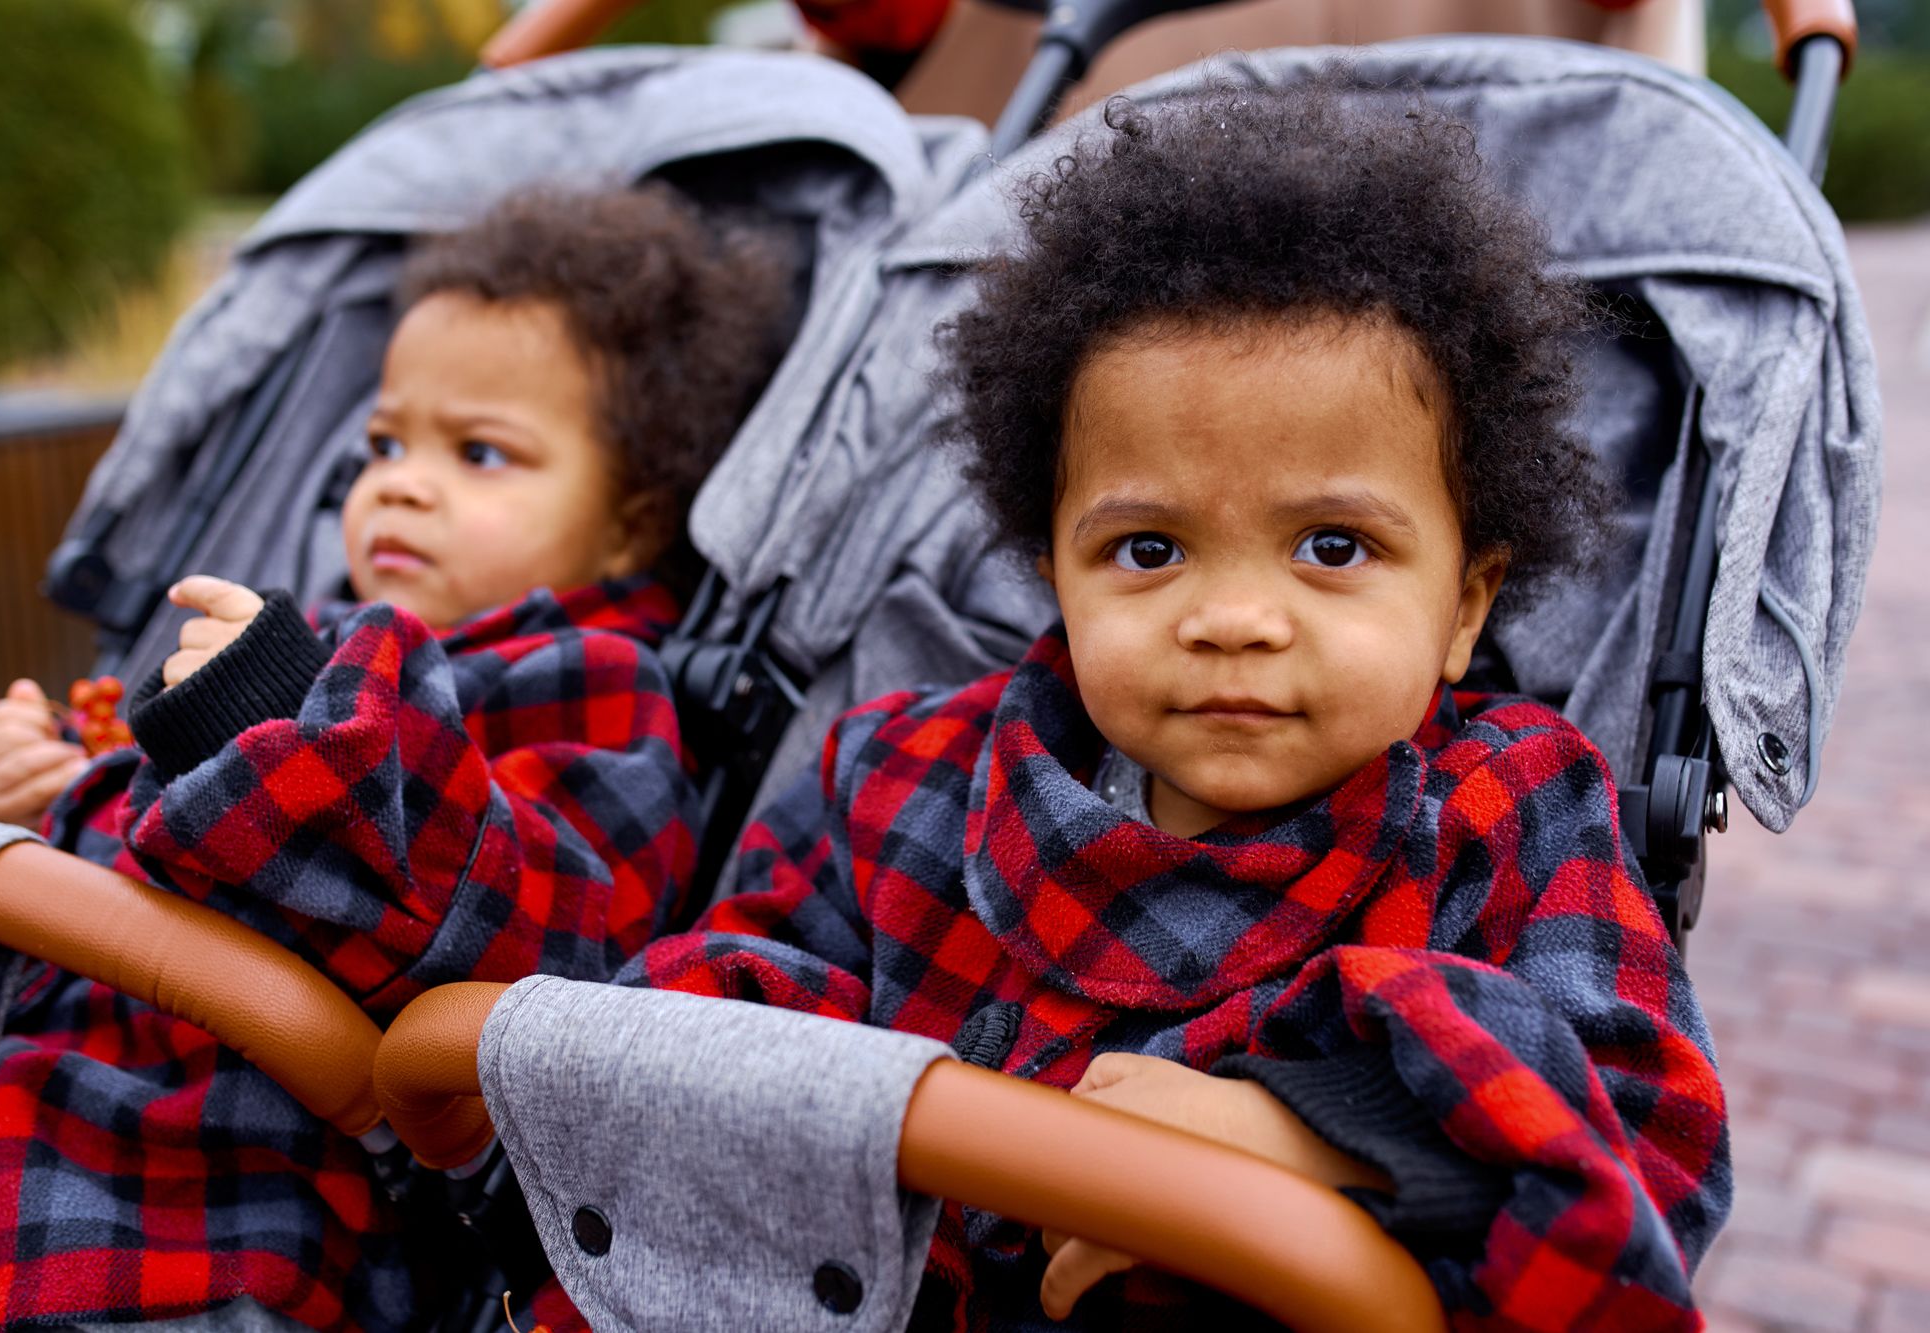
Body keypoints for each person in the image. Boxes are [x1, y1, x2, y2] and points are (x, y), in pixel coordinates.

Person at [515, 87, 1729, 1331]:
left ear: (1465, 604)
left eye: (1330, 543)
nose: (1234, 618)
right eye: (1148, 551)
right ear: (1053, 573)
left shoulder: (1507, 808)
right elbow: (711, 1004)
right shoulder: (903, 776)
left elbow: (1653, 1145)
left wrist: (1327, 1135)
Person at [0, 184, 796, 1331]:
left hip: (239, 1202)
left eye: (479, 452)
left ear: (633, 519)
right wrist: (53, 785)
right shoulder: (309, 636)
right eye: (383, 441)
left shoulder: (589, 679)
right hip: (23, 1131)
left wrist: (283, 722)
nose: (396, 479)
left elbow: (544, 941)